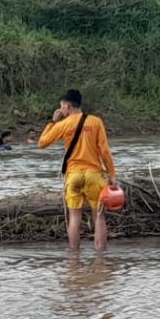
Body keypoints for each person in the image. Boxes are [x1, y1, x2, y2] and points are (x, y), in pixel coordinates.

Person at [38, 89, 118, 252]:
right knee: (99, 217)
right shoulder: (95, 122)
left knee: (74, 217)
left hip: (73, 176)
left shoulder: (63, 124)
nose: (61, 110)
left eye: (61, 106)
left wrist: (52, 122)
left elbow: (42, 143)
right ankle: (101, 256)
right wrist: (112, 174)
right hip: (94, 175)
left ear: (67, 106)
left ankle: (74, 256)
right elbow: (104, 151)